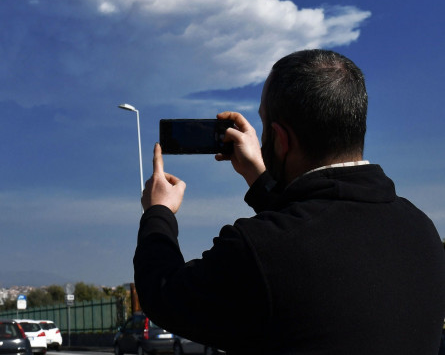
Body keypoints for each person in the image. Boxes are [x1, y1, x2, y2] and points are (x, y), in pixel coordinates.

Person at [134, 49, 445, 354]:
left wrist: (159, 212)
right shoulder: (421, 230)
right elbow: (317, 228)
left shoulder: (255, 249)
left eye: (265, 125)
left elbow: (164, 294)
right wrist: (260, 178)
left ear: (281, 140)